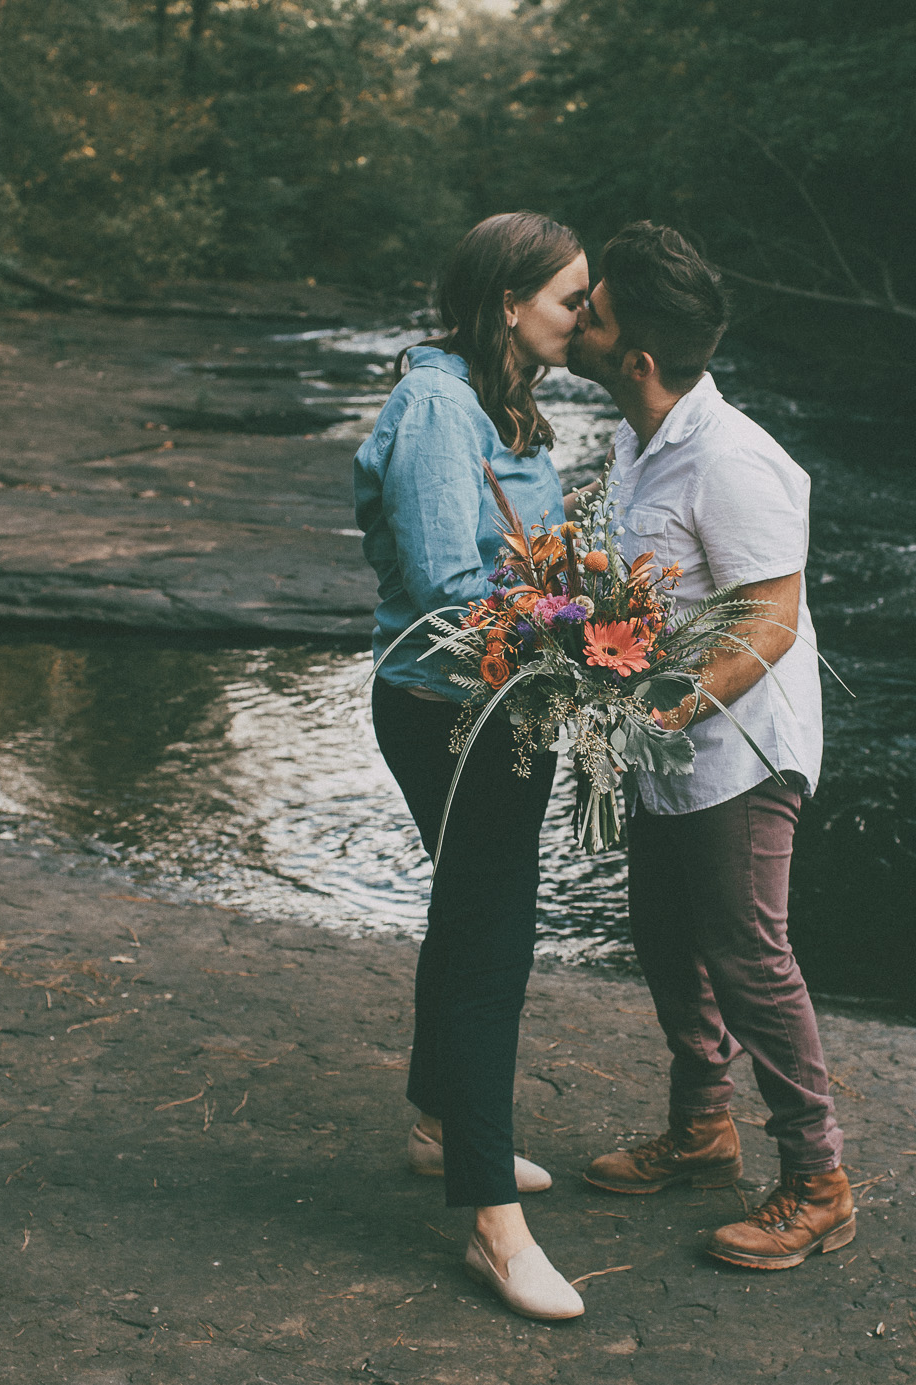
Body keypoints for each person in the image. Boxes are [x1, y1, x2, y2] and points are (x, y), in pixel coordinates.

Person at [565, 222, 852, 1270]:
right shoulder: (638, 439)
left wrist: (667, 709)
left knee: (746, 957)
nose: (573, 322)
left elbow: (769, 624)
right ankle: (701, 1130)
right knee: (661, 935)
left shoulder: (736, 461)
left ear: (633, 358)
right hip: (663, 749)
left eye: (588, 313)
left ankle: (817, 1180)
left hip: (735, 752)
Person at [353, 210, 591, 1320]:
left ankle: (439, 1120)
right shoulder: (439, 408)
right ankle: (492, 1221)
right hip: (449, 707)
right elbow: (452, 587)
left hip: (505, 698)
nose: (584, 318)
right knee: (495, 933)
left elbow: (523, 562)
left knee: (470, 906)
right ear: (507, 300)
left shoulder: (497, 399)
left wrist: (583, 598)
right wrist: (584, 628)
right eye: (569, 300)